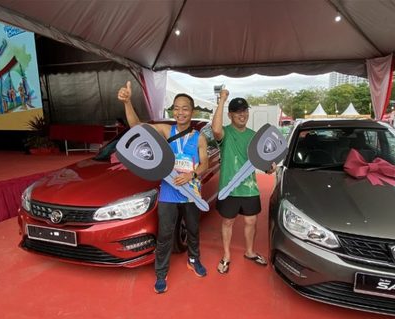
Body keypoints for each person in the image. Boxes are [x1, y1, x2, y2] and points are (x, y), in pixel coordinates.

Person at [117, 81, 209, 294]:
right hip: (168, 193)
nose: (180, 112)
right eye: (176, 108)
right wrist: (128, 102)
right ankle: (161, 273)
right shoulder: (167, 130)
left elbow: (204, 163)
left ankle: (193, 260)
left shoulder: (199, 137)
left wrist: (192, 174)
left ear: (191, 111)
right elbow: (137, 128)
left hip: (191, 193)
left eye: (185, 108)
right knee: (165, 234)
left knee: (193, 231)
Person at [212, 89, 276, 274]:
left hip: (250, 189)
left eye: (245, 111)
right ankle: (226, 256)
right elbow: (215, 129)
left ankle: (249, 252)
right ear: (230, 115)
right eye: (238, 112)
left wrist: (270, 168)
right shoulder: (225, 133)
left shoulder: (254, 136)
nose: (243, 115)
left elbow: (264, 163)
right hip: (229, 189)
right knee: (227, 222)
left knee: (251, 221)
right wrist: (222, 100)